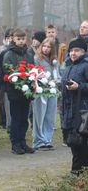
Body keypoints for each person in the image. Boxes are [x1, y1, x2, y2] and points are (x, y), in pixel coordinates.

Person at [3, 28, 35, 155]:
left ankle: (22, 142)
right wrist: (20, 82)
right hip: (15, 92)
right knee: (16, 119)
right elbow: (8, 72)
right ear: (13, 39)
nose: (21, 41)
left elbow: (33, 69)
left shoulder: (29, 54)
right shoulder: (8, 54)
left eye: (23, 39)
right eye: (18, 39)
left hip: (27, 93)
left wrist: (30, 83)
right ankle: (15, 143)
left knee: (24, 118)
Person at [61, 38, 88, 175]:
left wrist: (80, 87)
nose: (73, 53)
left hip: (83, 111)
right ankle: (80, 171)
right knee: (73, 142)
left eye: (76, 50)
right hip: (68, 110)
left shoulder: (86, 66)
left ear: (83, 51)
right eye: (71, 50)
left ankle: (76, 173)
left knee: (80, 144)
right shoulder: (67, 66)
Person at [32, 38, 58, 150]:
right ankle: (38, 141)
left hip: (52, 90)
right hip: (41, 90)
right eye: (44, 46)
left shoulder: (54, 60)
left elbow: (57, 74)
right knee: (39, 116)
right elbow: (35, 74)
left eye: (49, 47)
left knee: (50, 116)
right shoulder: (37, 58)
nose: (46, 49)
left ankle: (47, 139)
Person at [0, 28, 13, 130]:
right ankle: (6, 122)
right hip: (5, 81)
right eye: (9, 37)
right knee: (5, 104)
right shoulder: (1, 50)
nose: (11, 39)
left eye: (12, 37)